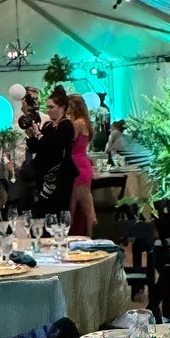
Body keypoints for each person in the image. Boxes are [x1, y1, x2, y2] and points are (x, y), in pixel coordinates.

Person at [64, 94, 97, 237]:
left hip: (76, 165)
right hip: (83, 162)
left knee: (73, 205)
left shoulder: (77, 123)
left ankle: (69, 236)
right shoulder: (86, 122)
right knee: (86, 206)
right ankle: (88, 236)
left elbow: (68, 142)